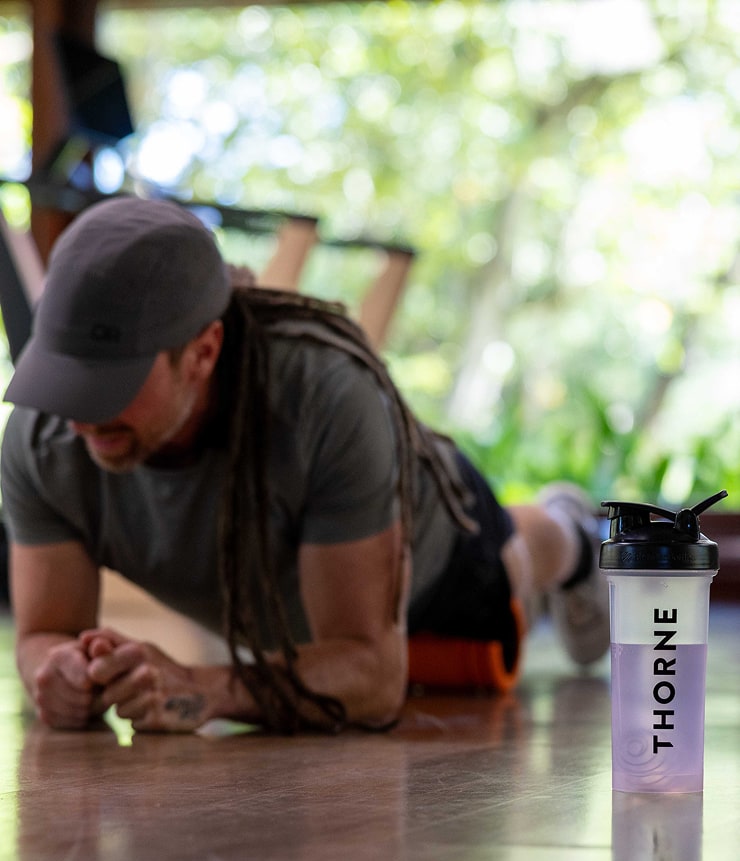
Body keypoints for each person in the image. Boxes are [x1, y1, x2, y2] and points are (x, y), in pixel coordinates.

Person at [0, 196, 609, 735]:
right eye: (66, 377)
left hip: (441, 561)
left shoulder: (324, 396)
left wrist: (205, 688)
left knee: (519, 561)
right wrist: (57, 671)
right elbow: (40, 635)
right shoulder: (42, 436)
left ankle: (575, 534)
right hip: (286, 628)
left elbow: (371, 679)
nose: (77, 419)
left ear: (202, 352)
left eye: (110, 384)